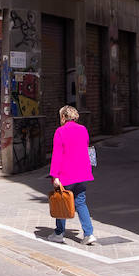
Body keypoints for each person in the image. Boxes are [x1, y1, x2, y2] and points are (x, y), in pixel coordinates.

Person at [48, 104, 96, 245]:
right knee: (80, 202)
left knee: (61, 200)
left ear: (63, 117)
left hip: (66, 173)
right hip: (83, 172)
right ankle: (89, 234)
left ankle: (59, 232)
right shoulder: (83, 130)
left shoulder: (60, 131)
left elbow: (57, 155)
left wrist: (54, 175)